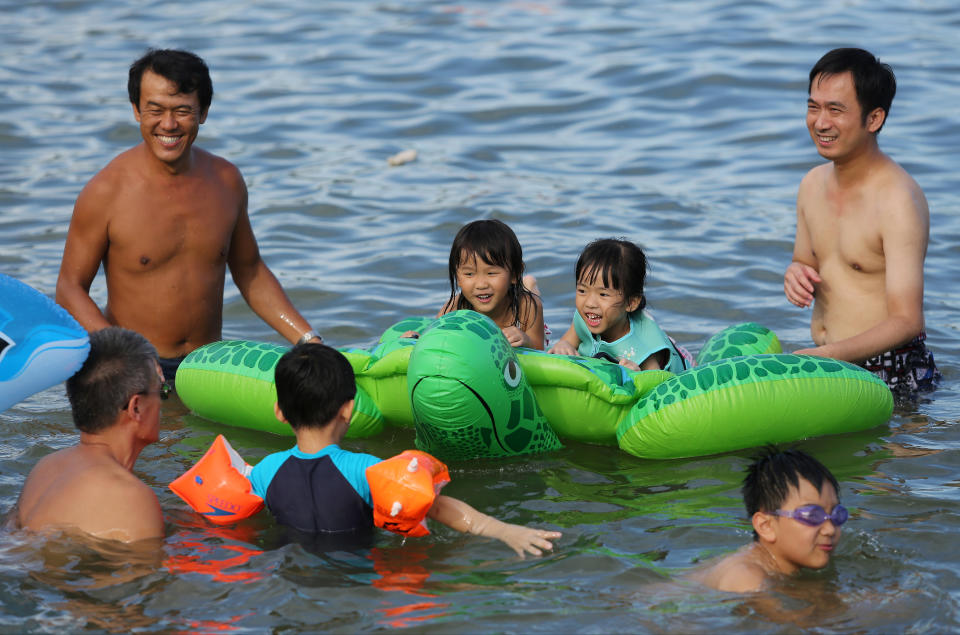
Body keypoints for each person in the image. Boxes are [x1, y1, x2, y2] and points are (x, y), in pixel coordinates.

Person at [55, 49, 322, 387]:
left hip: (208, 366)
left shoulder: (226, 180)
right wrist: (124, 354)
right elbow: (69, 288)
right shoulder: (106, 191)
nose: (168, 124)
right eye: (155, 110)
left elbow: (250, 270)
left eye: (182, 111)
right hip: (134, 367)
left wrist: (308, 340)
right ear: (136, 110)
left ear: (204, 113)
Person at [249, 343, 562, 556]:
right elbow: (438, 507)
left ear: (279, 411)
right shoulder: (367, 471)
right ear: (348, 410)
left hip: (290, 571)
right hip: (357, 575)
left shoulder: (265, 471)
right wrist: (505, 531)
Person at [784, 47, 939, 394]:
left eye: (835, 110)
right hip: (831, 362)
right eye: (813, 106)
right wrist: (795, 274)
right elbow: (804, 261)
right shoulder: (811, 184)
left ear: (874, 119)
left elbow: (907, 320)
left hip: (891, 371)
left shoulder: (898, 201)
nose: (820, 122)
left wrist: (825, 356)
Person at [15, 327, 166, 542]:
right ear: (136, 407)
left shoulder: (46, 467)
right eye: (162, 391)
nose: (162, 403)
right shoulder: (130, 497)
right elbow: (143, 574)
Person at [691, 447, 846, 593]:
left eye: (837, 514)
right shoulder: (747, 576)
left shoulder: (778, 567)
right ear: (766, 526)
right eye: (812, 515)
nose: (830, 529)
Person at [548, 238, 690, 372]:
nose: (589, 303)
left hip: (679, 365)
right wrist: (563, 346)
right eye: (582, 290)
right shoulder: (584, 318)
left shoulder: (644, 346)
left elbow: (657, 383)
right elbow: (566, 343)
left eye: (603, 294)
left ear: (631, 303)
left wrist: (637, 374)